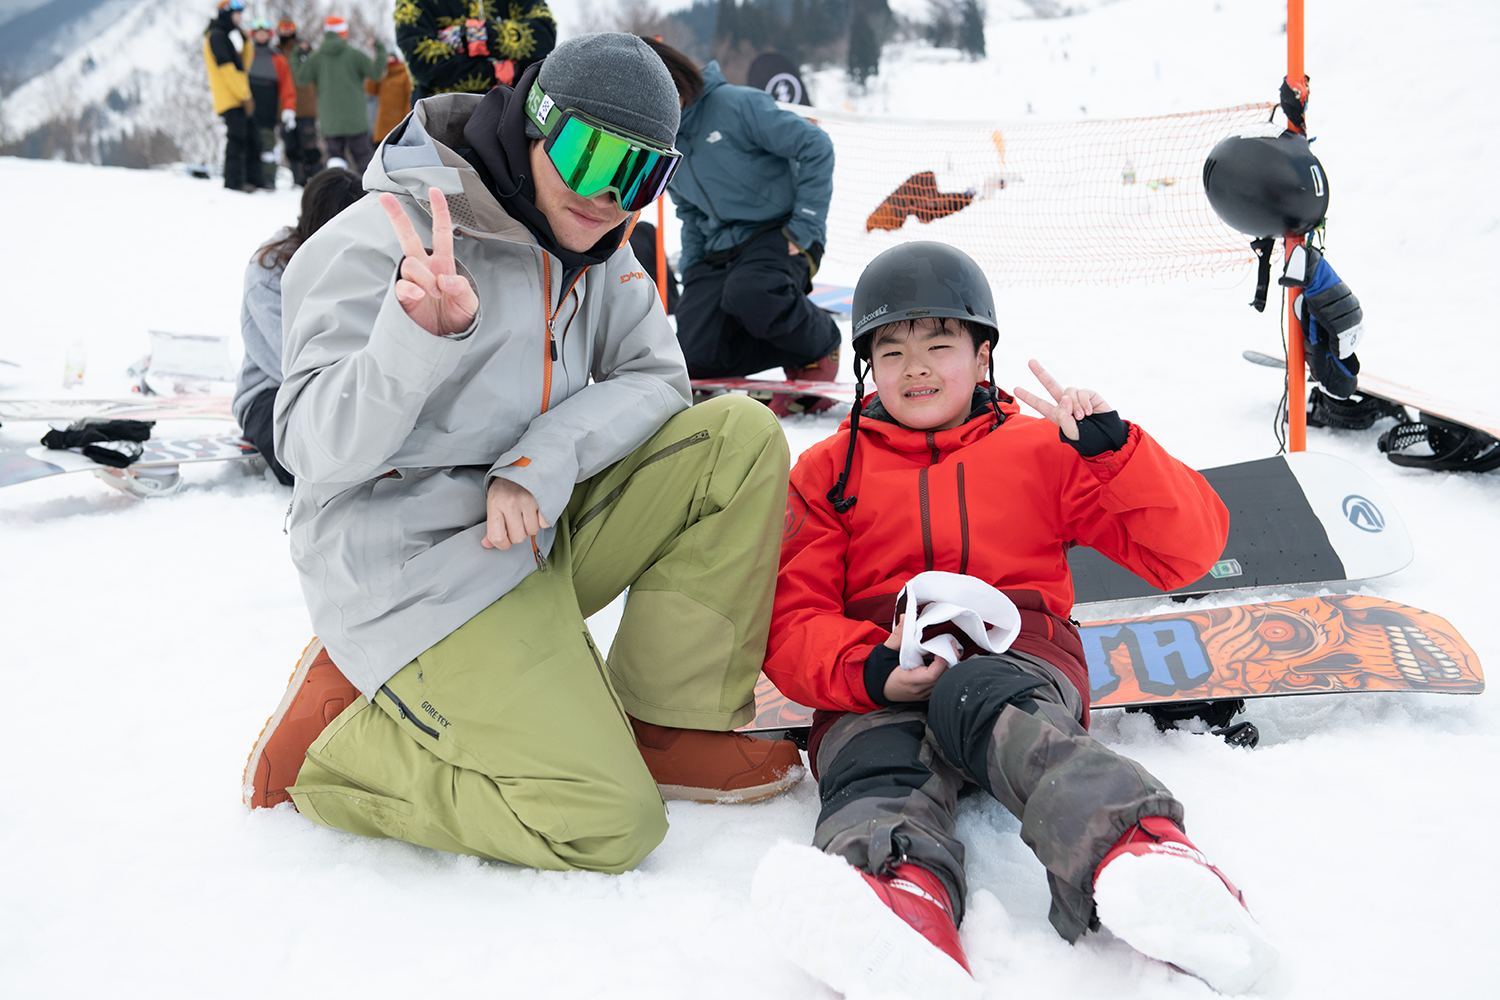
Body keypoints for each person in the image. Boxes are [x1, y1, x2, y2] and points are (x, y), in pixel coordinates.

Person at [241, 34, 802, 874]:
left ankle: (664, 722)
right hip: (417, 573)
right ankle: (338, 753)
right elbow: (310, 449)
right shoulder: (383, 237)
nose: (607, 195)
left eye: (640, 174)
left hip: (531, 527)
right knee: (606, 825)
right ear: (536, 125)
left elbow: (657, 377)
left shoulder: (595, 246)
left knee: (738, 438)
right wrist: (413, 342)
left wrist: (546, 457)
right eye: (590, 155)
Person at [752, 243, 1279, 996]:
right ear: (868, 367)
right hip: (878, 672)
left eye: (939, 344)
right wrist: (870, 669)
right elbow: (792, 612)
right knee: (872, 757)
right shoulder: (828, 472)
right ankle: (898, 899)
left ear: (982, 355)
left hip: (1014, 663)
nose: (916, 367)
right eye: (892, 351)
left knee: (987, 698)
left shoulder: (1042, 449)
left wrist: (1113, 454)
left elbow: (1186, 554)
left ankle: (1141, 853)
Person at [641, 39, 840, 405]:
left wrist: (804, 226)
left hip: (779, 231)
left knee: (750, 291)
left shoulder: (735, 105)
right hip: (720, 248)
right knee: (692, 353)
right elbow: (689, 211)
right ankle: (778, 343)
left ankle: (819, 344)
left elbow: (816, 146)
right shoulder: (664, 138)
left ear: (674, 82)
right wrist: (694, 268)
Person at [232, 168, 365, 486]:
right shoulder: (269, 272)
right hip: (275, 392)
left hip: (346, 391)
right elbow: (291, 363)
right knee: (306, 463)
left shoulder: (363, 259)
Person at [395, 0, 555, 102]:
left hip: (513, 115)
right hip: (442, 123)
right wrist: (501, 70)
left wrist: (474, 36)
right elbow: (421, 61)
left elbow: (545, 36)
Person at [292, 16, 386, 174]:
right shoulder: (355, 55)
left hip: (330, 122)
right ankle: (370, 188)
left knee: (336, 162)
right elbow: (376, 73)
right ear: (343, 32)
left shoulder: (317, 57)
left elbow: (301, 78)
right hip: (356, 121)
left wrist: (297, 54)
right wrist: (380, 49)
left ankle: (337, 188)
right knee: (364, 160)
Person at [202, 0, 262, 192]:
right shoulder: (217, 36)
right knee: (237, 139)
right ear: (227, 13)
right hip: (231, 98)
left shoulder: (226, 36)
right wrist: (244, 96)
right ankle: (234, 183)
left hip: (237, 96)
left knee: (252, 138)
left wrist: (247, 42)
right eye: (236, 13)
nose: (239, 18)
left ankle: (254, 180)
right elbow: (227, 70)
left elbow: (243, 67)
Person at [245, 17, 296, 189]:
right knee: (248, 145)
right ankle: (249, 179)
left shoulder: (278, 59)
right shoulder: (246, 55)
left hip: (268, 111)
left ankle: (268, 179)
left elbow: (287, 86)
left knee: (268, 145)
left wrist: (289, 108)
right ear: (253, 35)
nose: (261, 35)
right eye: (258, 33)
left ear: (269, 34)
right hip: (249, 110)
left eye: (264, 32)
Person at [276, 18, 324, 185]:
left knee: (311, 147)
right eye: (283, 26)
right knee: (291, 148)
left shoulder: (305, 50)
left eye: (290, 26)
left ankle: (318, 181)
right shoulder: (275, 51)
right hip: (283, 108)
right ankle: (299, 181)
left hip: (306, 107)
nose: (287, 29)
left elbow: (317, 71)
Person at [365, 51, 413, 144]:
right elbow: (371, 90)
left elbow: (409, 99)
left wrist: (408, 123)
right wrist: (376, 69)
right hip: (382, 125)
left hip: (398, 123)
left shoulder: (405, 75)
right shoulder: (384, 76)